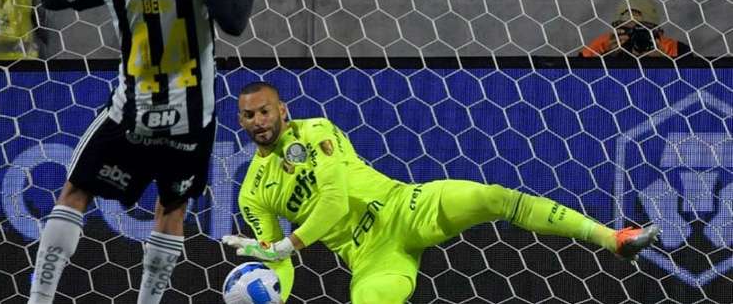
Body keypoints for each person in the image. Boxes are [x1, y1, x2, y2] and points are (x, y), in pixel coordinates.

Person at [27, 0, 256, 304]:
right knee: (171, 208)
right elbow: (234, 22)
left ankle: (39, 299)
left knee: (76, 191)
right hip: (190, 120)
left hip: (132, 114)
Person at [223, 82, 661, 303]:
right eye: (248, 115)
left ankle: (613, 238)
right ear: (240, 121)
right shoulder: (252, 193)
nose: (258, 120)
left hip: (407, 206)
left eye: (265, 111)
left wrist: (288, 243)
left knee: (493, 198)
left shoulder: (316, 129)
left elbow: (334, 201)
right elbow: (275, 258)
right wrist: (270, 289)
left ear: (282, 110)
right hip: (371, 258)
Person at [580, 0, 691, 58]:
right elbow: (578, 76)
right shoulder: (604, 44)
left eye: (640, 29)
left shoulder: (674, 48)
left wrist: (661, 62)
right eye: (626, 28)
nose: (634, 33)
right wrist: (608, 56)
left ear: (656, 30)